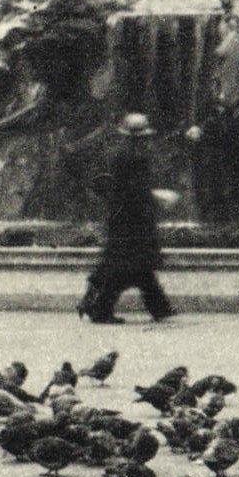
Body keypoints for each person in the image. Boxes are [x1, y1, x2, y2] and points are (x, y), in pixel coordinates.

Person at [79, 113, 176, 324]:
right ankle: (102, 309)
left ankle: (158, 308)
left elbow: (99, 184)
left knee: (129, 266)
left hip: (120, 218)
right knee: (131, 268)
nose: (147, 142)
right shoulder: (135, 158)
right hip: (134, 220)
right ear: (138, 139)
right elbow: (136, 190)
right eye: (143, 138)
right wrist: (156, 197)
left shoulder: (113, 155)